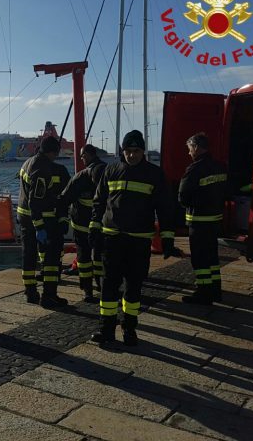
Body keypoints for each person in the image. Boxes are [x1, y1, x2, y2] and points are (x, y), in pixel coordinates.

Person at [89, 130, 180, 346]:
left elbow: (165, 208)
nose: (132, 155)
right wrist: (94, 227)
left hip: (139, 241)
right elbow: (99, 202)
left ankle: (130, 330)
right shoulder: (111, 170)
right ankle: (107, 330)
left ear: (143, 151)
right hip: (112, 239)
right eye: (128, 151)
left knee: (133, 286)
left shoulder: (154, 174)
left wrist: (167, 238)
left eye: (136, 151)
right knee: (108, 286)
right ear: (123, 152)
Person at [17, 136, 71, 308]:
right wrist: (40, 226)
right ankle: (49, 296)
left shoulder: (27, 163)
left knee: (29, 254)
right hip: (41, 218)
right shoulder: (43, 169)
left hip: (24, 216)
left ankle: (30, 291)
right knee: (52, 258)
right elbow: (36, 201)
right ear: (53, 152)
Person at [179, 132, 228, 304]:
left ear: (197, 148)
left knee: (200, 259)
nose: (189, 153)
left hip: (198, 221)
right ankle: (215, 290)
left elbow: (183, 195)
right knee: (212, 257)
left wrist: (192, 204)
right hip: (215, 220)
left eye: (190, 149)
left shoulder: (195, 169)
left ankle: (203, 292)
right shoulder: (220, 166)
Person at [59, 144, 106, 302]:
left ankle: (87, 290)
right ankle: (102, 285)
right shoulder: (110, 172)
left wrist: (62, 219)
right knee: (100, 256)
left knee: (84, 258)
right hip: (102, 226)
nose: (81, 159)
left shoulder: (80, 177)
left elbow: (64, 199)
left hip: (82, 226)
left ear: (88, 155)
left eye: (82, 156)